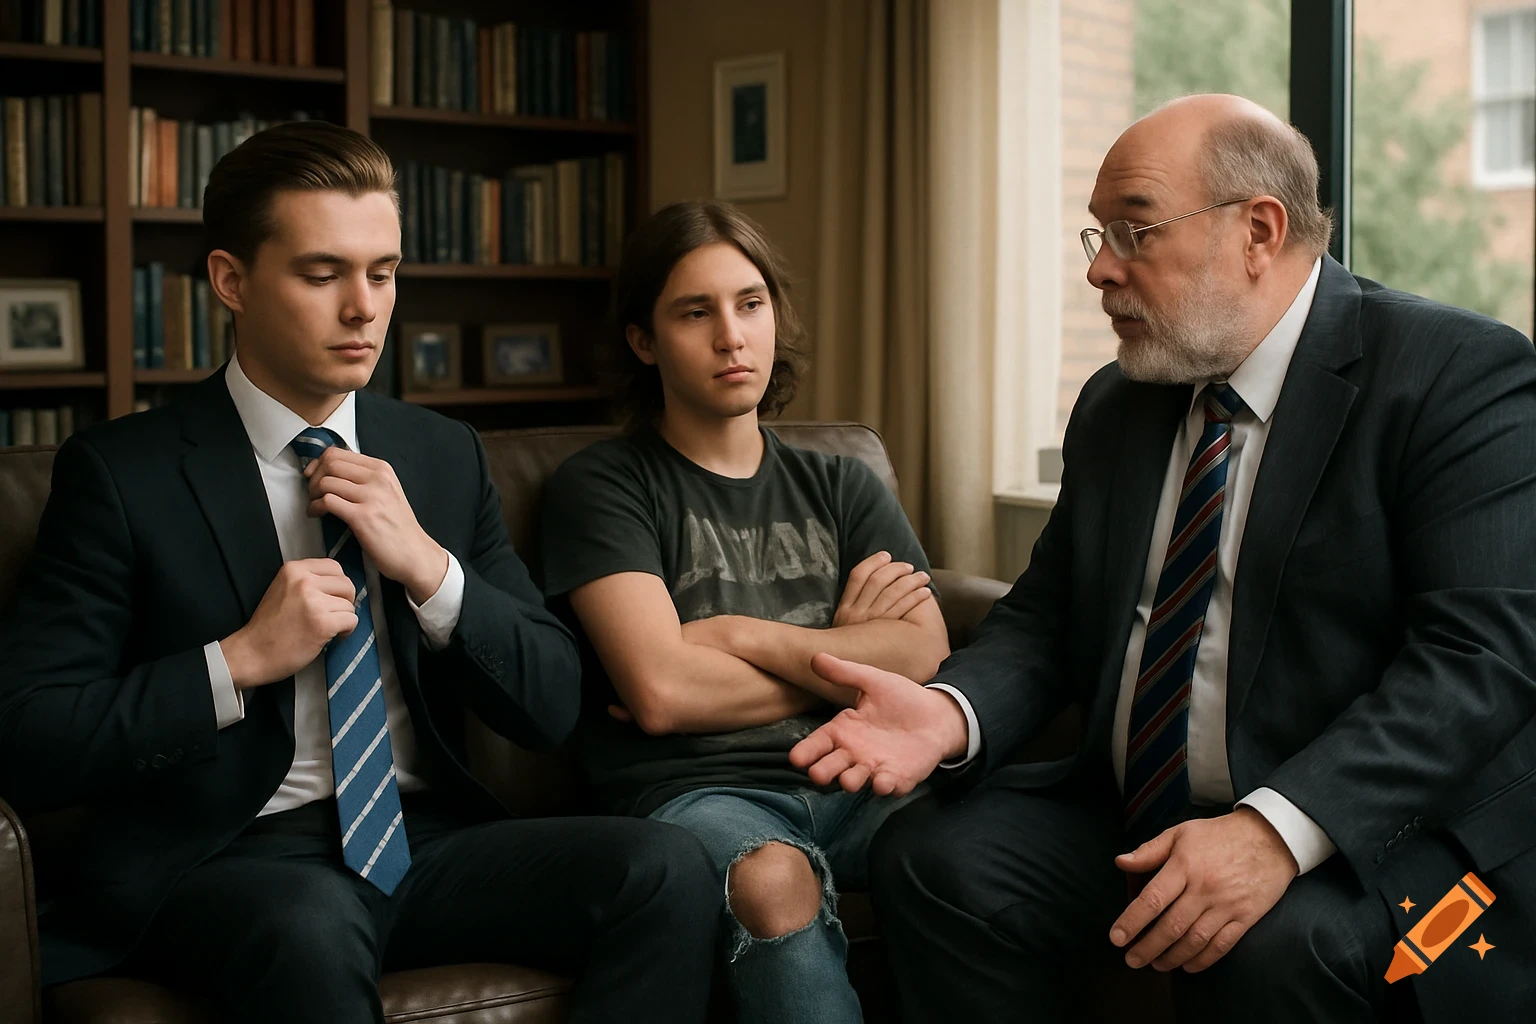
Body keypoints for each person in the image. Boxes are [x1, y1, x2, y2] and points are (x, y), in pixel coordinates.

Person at [791, 94, 1536, 1023]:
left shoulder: (1455, 374)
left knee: (1276, 952)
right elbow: (1049, 616)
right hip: (1139, 809)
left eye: (1134, 232)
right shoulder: (1120, 402)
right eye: (1097, 235)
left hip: (1384, 837)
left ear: (1258, 231)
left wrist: (1272, 831)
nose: (1101, 270)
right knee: (938, 862)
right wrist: (952, 714)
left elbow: (1477, 663)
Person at [0, 121, 720, 1024]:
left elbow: (551, 703)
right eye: (321, 273)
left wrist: (430, 571)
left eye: (382, 273)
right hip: (234, 859)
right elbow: (28, 735)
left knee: (665, 867)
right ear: (231, 280)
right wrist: (240, 660)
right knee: (307, 920)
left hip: (425, 843)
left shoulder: (441, 454)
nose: (364, 308)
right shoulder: (121, 473)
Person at [538, 200, 953, 1024]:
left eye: (750, 303)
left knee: (988, 850)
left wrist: (735, 637)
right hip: (699, 794)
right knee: (770, 877)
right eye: (697, 313)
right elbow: (661, 692)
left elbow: (928, 653)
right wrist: (848, 661)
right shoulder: (603, 487)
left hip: (865, 772)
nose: (733, 335)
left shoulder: (844, 483)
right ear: (644, 341)